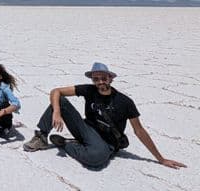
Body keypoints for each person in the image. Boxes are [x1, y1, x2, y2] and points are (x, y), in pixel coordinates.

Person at [23, 61, 187, 169]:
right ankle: (41, 137)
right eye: (96, 79)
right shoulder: (89, 90)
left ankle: (65, 143)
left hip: (106, 142)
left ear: (110, 79)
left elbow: (139, 131)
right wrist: (57, 112)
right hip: (86, 129)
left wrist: (161, 158)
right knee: (60, 101)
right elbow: (56, 91)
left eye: (103, 78)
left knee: (97, 158)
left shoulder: (125, 102)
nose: (100, 82)